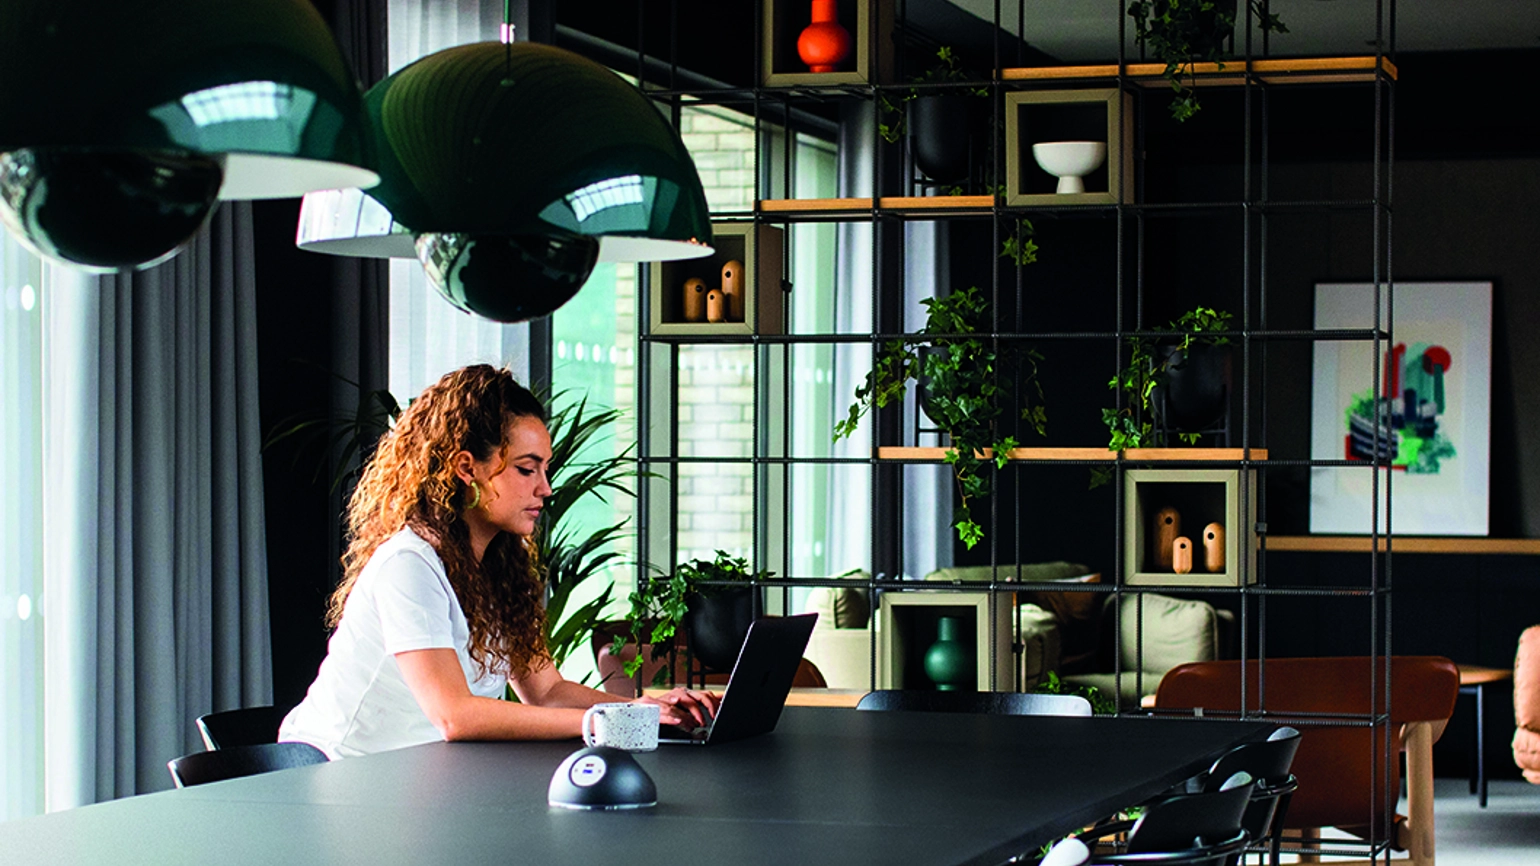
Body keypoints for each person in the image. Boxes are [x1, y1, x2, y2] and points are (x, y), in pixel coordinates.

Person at [280, 364, 716, 758]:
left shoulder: (494, 568)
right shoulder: (409, 565)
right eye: (527, 470)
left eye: (545, 470)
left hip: (420, 781)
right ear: (467, 468)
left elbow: (546, 691)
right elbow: (456, 716)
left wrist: (642, 711)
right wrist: (605, 724)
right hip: (338, 779)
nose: (545, 489)